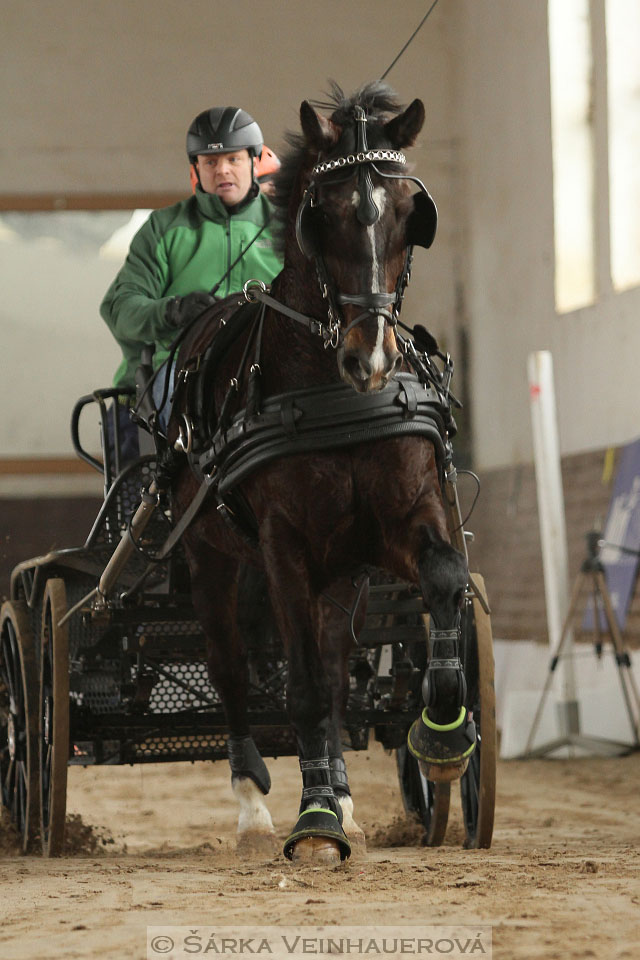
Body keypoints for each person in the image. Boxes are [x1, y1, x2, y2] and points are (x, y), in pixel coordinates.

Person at [100, 106, 283, 454]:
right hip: (179, 366)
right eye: (210, 162)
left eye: (233, 159)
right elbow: (119, 308)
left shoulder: (287, 230)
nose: (222, 170)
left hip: (266, 367)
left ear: (254, 160)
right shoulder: (164, 227)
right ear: (195, 169)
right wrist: (173, 311)